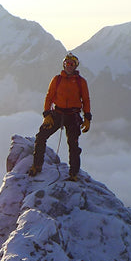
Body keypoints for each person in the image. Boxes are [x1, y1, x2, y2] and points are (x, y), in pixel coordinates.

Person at [28, 52, 91, 181]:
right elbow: (49, 97)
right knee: (41, 137)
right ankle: (37, 165)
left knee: (73, 145)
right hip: (57, 113)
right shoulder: (57, 80)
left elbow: (86, 100)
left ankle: (73, 173)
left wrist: (87, 117)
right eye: (67, 63)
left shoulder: (81, 82)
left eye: (71, 64)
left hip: (73, 115)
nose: (69, 66)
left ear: (75, 66)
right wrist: (47, 114)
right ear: (64, 65)